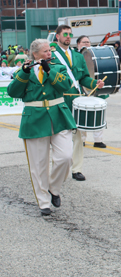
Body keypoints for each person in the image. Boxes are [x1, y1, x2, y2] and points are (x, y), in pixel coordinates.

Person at [7, 39, 76, 216]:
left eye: (49, 50)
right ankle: (43, 201)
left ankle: (54, 188)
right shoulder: (24, 70)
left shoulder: (57, 67)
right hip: (34, 119)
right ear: (35, 54)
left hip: (58, 115)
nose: (49, 54)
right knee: (38, 164)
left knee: (65, 156)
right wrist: (23, 72)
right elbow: (13, 92)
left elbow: (65, 85)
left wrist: (48, 69)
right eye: (45, 51)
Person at [52, 25, 105, 182]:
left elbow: (83, 79)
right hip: (59, 99)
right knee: (58, 136)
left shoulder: (78, 56)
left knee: (77, 135)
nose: (68, 37)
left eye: (70, 34)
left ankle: (77, 169)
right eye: (65, 34)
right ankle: (59, 167)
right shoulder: (52, 55)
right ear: (58, 37)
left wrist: (95, 82)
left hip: (75, 99)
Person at [76, 35, 107, 149]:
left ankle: (98, 140)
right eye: (84, 42)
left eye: (88, 42)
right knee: (82, 114)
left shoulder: (94, 54)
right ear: (78, 44)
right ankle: (82, 139)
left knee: (98, 114)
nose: (86, 44)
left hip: (94, 87)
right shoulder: (76, 56)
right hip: (82, 88)